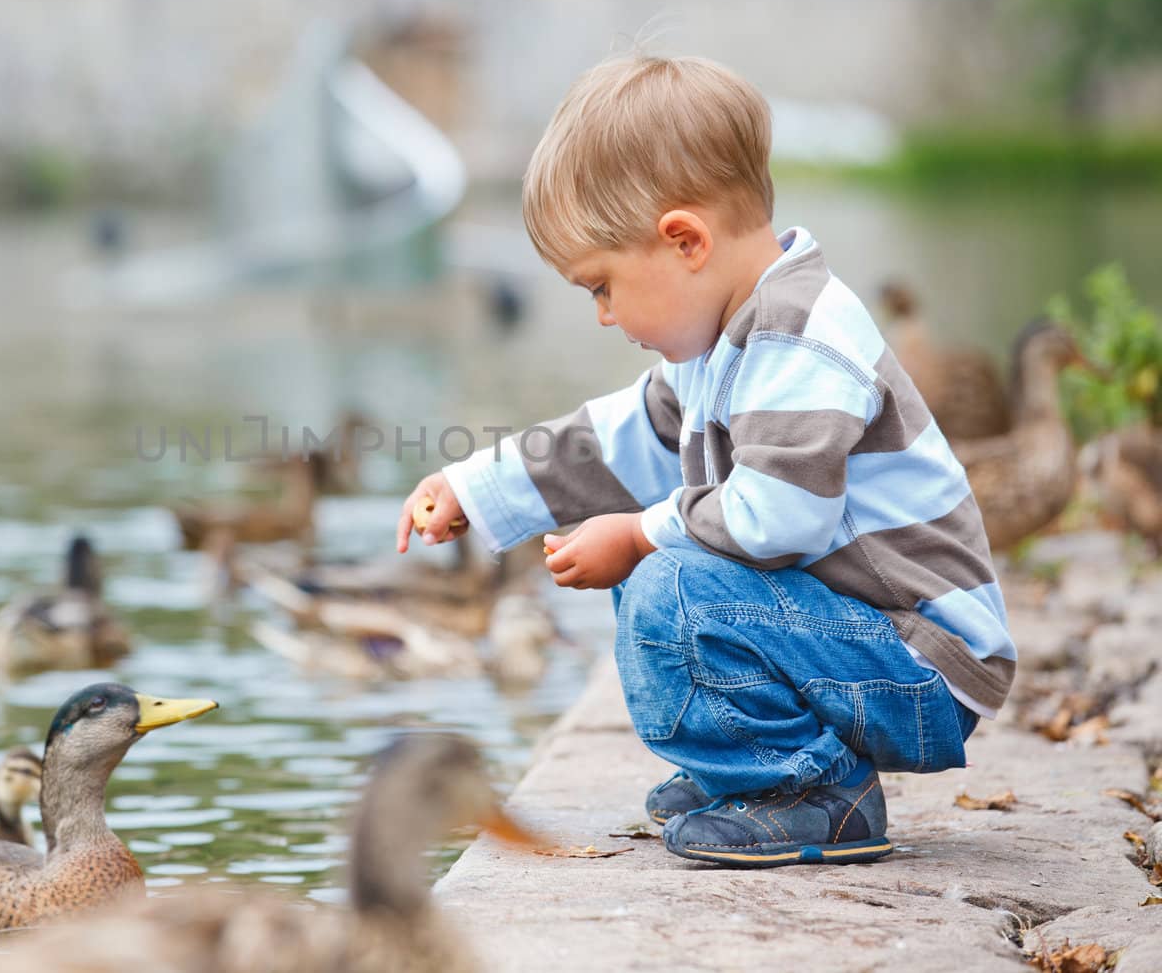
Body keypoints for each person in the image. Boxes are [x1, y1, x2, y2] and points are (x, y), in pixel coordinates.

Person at [396, 53, 1013, 868]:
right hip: (862, 641)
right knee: (655, 564)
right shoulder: (722, 345)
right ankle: (756, 765)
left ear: (684, 240)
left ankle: (810, 790)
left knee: (669, 579)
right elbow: (617, 439)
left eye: (601, 287)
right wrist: (479, 484)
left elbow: (781, 518)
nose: (605, 316)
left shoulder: (799, 338)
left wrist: (641, 533)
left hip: (923, 661)